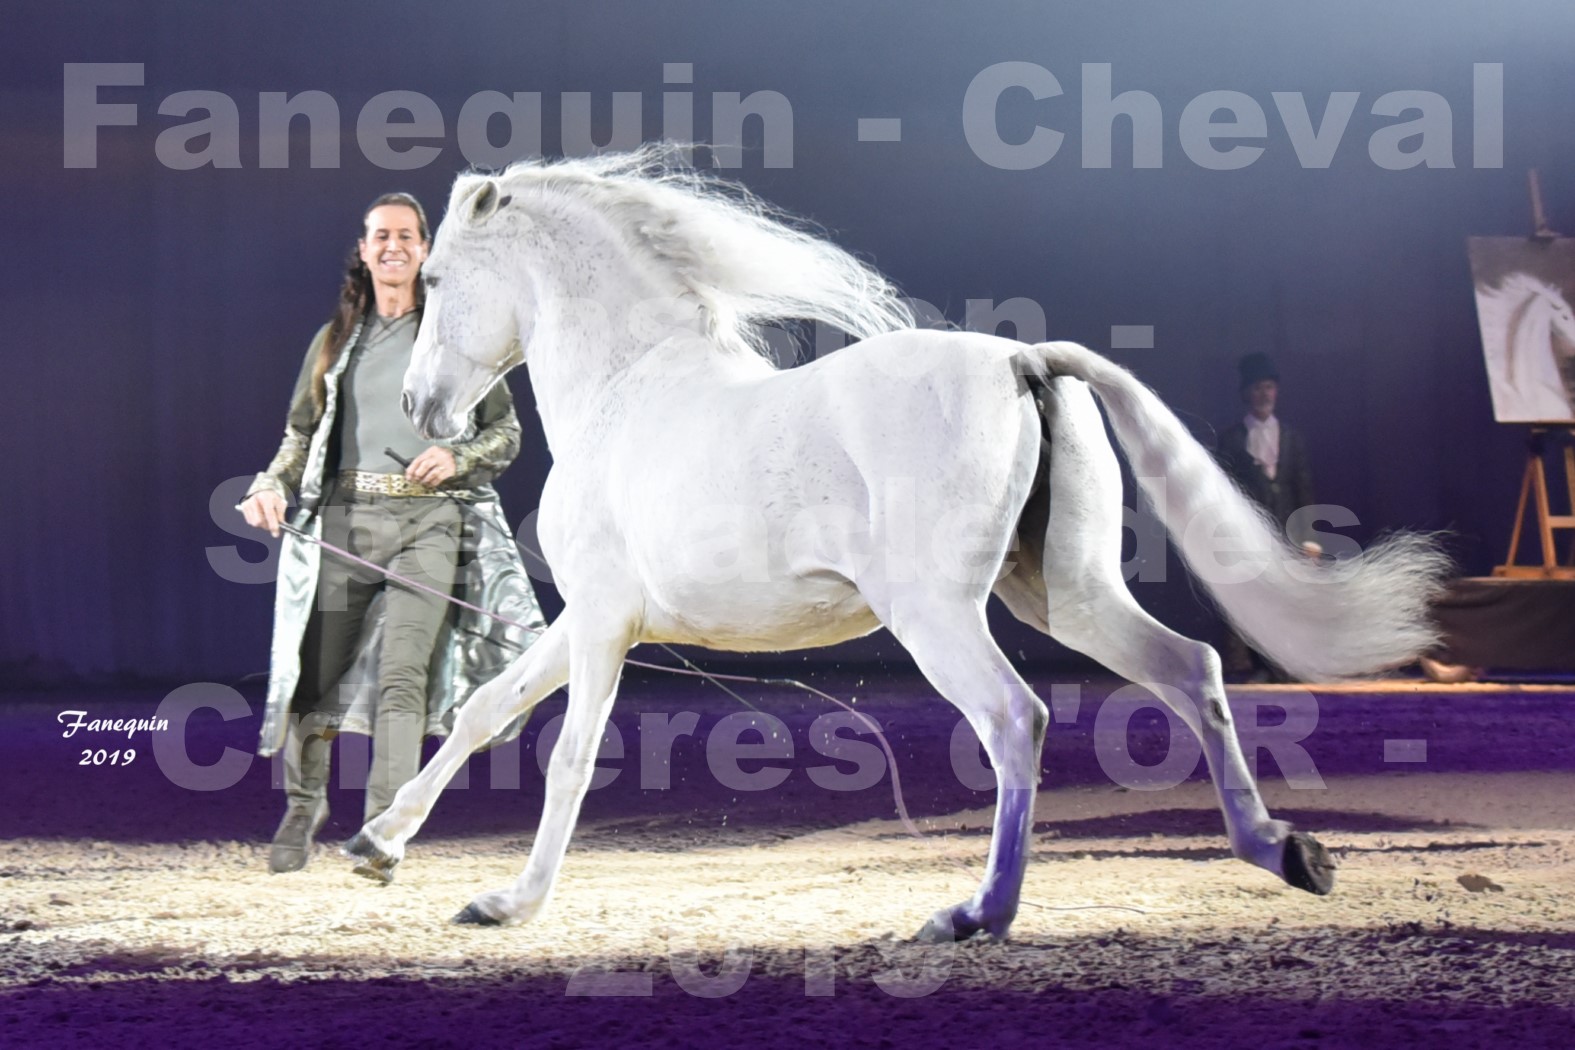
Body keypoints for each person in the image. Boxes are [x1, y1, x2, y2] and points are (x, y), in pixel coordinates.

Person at [240, 193, 544, 875]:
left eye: (406, 235)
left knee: (402, 681)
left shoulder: (456, 341)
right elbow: (300, 435)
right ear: (364, 248)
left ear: (426, 249)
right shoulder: (334, 342)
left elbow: (507, 433)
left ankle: (382, 834)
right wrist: (269, 485)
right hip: (346, 526)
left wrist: (459, 457)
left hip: (429, 525)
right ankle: (302, 804)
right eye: (381, 235)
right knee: (315, 681)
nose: (393, 246)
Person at [1215, 352, 1318, 681]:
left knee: (1286, 598)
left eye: (1269, 388)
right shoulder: (1231, 440)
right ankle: (1257, 665)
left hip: (1287, 530)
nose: (1264, 394)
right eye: (1258, 388)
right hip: (1249, 532)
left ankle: (1285, 666)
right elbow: (1223, 491)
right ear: (1246, 393)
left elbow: (1302, 485)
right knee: (1253, 598)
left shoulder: (1291, 437)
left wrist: (1308, 535)